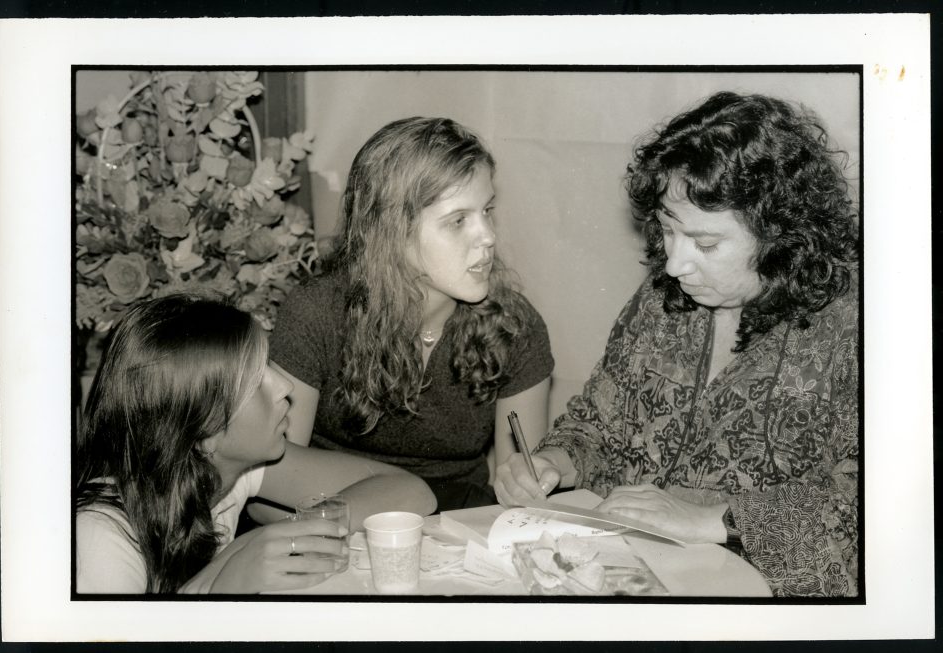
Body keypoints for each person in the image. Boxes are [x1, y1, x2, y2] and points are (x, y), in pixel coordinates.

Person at [494, 91, 859, 597]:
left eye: (705, 244)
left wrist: (715, 519)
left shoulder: (857, 328)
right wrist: (554, 461)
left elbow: (872, 503)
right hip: (631, 570)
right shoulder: (663, 301)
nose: (674, 264)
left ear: (781, 235)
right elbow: (599, 423)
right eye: (668, 230)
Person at [265, 117, 554, 512]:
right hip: (333, 513)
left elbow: (520, 505)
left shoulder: (515, 328)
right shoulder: (316, 313)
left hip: (456, 521)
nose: (488, 236)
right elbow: (272, 482)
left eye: (487, 211)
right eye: (458, 220)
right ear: (391, 229)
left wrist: (524, 485)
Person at [76, 293, 436, 594]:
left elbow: (411, 492)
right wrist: (221, 583)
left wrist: (264, 540)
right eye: (254, 381)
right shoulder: (101, 538)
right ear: (202, 430)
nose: (285, 387)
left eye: (269, 365)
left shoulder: (230, 470)